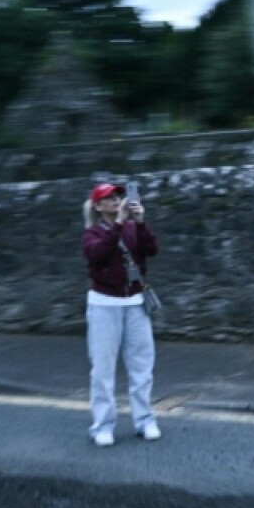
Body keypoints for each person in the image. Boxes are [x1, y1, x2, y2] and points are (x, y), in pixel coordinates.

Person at [81, 182, 161, 446]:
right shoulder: (92, 233)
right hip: (104, 305)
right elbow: (99, 254)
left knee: (142, 366)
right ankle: (103, 426)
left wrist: (139, 223)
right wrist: (119, 225)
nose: (117, 201)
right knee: (103, 370)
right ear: (98, 206)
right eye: (109, 198)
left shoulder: (130, 226)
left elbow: (151, 250)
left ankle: (145, 420)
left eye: (118, 196)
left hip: (136, 304)